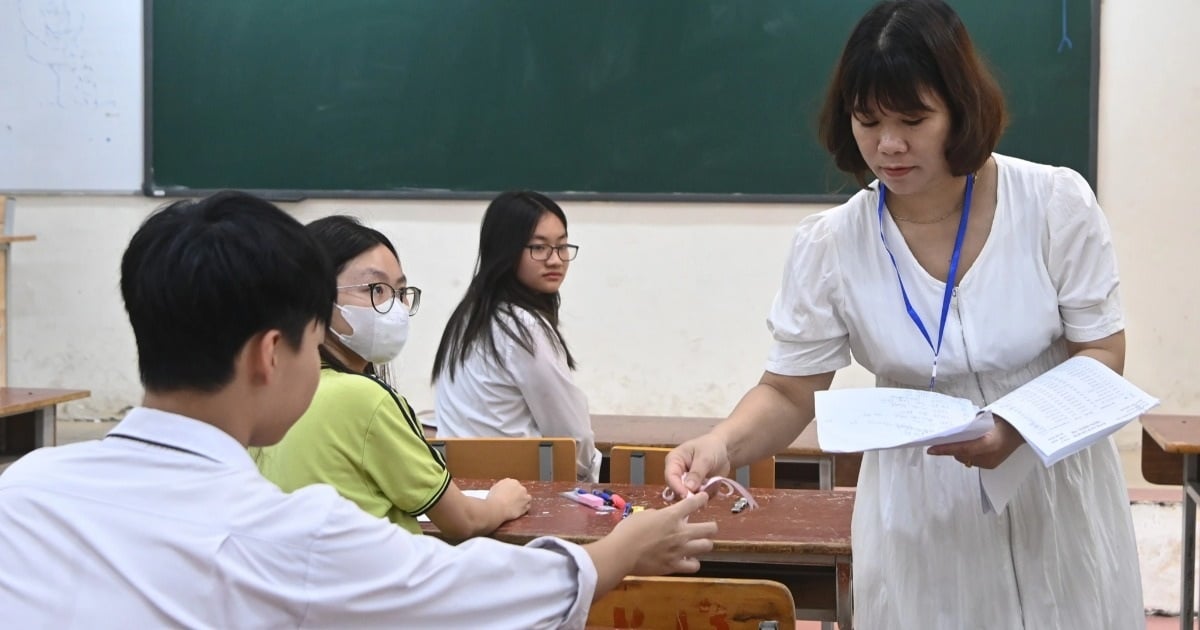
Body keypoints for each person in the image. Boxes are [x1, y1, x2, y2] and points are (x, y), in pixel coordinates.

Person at [0, 191, 716, 628]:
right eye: (315, 344)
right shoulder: (298, 536)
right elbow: (480, 596)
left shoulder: (25, 489)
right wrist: (625, 548)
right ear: (268, 355)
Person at [664, 1, 1143, 627]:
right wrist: (721, 444)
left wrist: (1018, 428)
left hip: (1052, 484)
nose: (888, 145)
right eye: (868, 121)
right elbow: (789, 391)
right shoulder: (833, 243)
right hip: (922, 505)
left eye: (913, 120)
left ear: (961, 109)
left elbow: (1103, 353)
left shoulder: (1054, 203)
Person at [251, 215, 530, 538]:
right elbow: (463, 521)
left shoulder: (265, 394)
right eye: (375, 289)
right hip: (374, 583)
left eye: (399, 292)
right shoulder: (364, 398)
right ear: (315, 296)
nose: (395, 307)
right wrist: (501, 502)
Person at [433, 190, 602, 482]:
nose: (555, 260)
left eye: (562, 246)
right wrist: (594, 478)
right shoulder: (523, 326)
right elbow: (573, 437)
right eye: (539, 248)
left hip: (461, 490)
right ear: (506, 250)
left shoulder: (470, 315)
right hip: (520, 492)